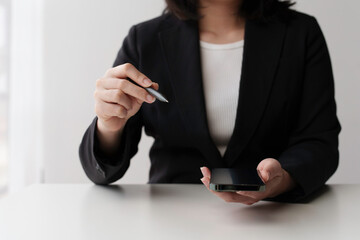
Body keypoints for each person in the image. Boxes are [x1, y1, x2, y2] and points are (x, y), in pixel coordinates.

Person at [79, 0, 341, 205]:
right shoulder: (144, 39)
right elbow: (102, 172)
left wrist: (283, 179)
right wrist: (109, 127)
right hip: (170, 215)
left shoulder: (300, 34)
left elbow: (320, 141)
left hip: (276, 214)